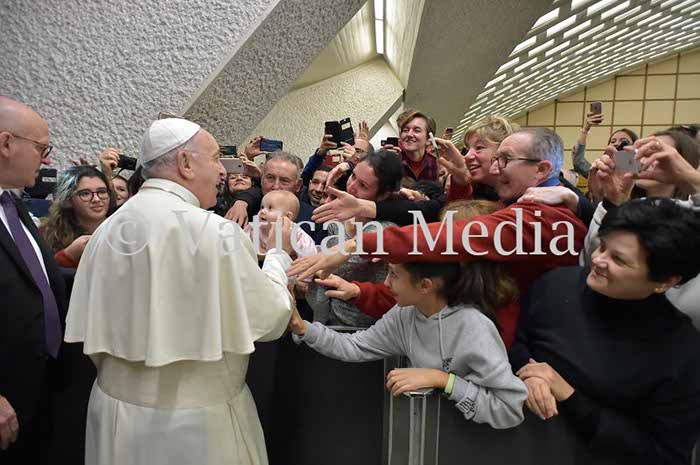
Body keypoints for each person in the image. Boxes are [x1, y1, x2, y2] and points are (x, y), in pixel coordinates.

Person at [64, 118, 296, 465]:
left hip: (115, 414)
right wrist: (278, 255)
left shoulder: (107, 229)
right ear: (186, 163)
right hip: (196, 423)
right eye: (215, 159)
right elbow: (271, 319)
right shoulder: (217, 232)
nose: (222, 171)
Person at [288, 128, 588, 331]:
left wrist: (356, 245)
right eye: (496, 158)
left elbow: (454, 235)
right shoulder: (522, 206)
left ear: (541, 169)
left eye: (504, 159)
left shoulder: (543, 217)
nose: (495, 168)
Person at [510, 198, 700, 464]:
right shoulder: (555, 285)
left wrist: (570, 398)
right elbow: (518, 341)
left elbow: (664, 454)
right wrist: (529, 374)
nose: (598, 259)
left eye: (618, 259)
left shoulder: (682, 353)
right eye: (601, 246)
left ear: (665, 281)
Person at [288, 259, 527, 429]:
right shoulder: (406, 314)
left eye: (394, 274)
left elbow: (510, 408)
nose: (386, 282)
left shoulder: (473, 326)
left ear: (425, 286)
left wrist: (445, 380)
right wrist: (303, 328)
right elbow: (355, 346)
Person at [0, 96, 67, 464]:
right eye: (42, 148)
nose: (47, 161)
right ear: (6, 143)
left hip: (38, 387)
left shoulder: (13, 206)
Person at [306, 150, 402, 327]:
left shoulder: (382, 229)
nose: (351, 187)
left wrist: (307, 262)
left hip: (361, 327)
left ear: (382, 195)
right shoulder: (339, 221)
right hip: (329, 321)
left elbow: (331, 269)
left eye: (363, 185)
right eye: (353, 176)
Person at [41, 166, 115, 268]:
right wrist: (69, 255)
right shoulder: (47, 233)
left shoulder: (121, 229)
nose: (96, 199)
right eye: (85, 194)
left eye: (102, 192)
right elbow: (41, 273)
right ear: (68, 200)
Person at [245, 190, 316, 259]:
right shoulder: (254, 227)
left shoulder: (296, 233)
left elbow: (308, 252)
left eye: (270, 208)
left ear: (287, 217)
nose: (262, 211)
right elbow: (242, 241)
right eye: (262, 207)